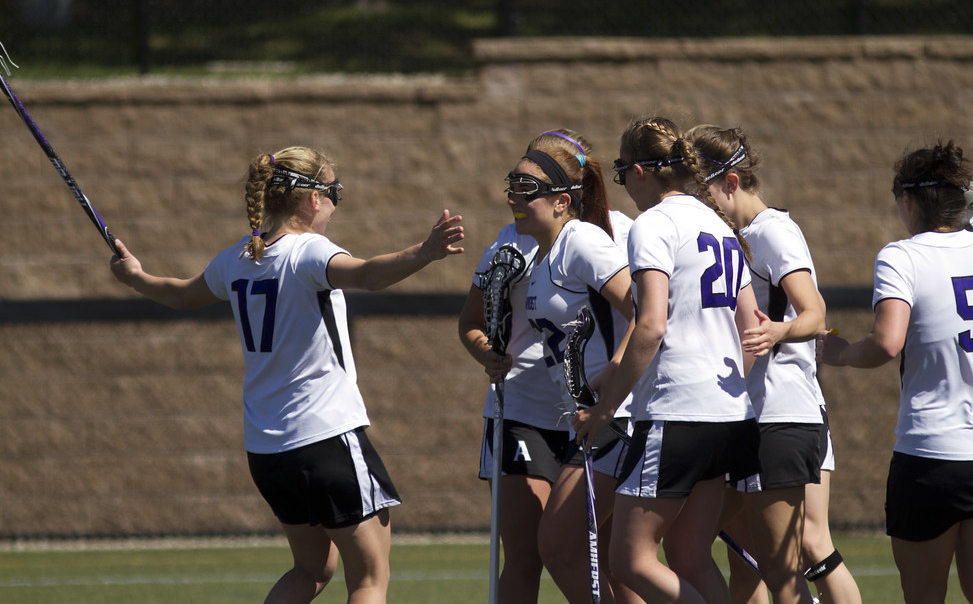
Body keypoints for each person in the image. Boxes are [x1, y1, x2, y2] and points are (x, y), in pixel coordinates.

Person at [109, 146, 465, 604]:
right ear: (313, 199)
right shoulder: (307, 251)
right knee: (369, 579)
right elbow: (369, 275)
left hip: (268, 449)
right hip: (325, 438)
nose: (337, 201)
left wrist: (135, 277)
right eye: (335, 191)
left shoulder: (235, 259)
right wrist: (425, 252)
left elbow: (178, 294)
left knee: (312, 569)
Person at [817, 140, 973, 604]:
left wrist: (842, 351)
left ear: (908, 201)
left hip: (931, 454)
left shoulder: (901, 256)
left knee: (924, 596)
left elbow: (887, 343)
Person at [574, 116, 763, 604]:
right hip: (731, 414)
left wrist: (604, 410)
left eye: (621, 174)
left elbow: (650, 324)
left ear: (639, 170)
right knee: (690, 556)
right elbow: (752, 330)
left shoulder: (653, 224)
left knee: (629, 560)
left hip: (679, 414)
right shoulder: (717, 224)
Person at [460, 129, 639, 603]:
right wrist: (487, 350)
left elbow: (647, 315)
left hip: (603, 411)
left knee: (609, 557)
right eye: (514, 185)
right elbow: (473, 322)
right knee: (534, 553)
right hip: (530, 409)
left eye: (528, 186)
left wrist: (618, 368)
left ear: (565, 193)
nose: (515, 198)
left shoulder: (595, 236)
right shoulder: (526, 243)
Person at [690, 124, 857, 604]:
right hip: (750, 417)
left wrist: (779, 331)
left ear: (733, 182)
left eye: (705, 193)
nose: (701, 206)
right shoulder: (736, 237)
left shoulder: (772, 231)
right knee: (720, 556)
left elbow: (815, 311)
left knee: (790, 570)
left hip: (780, 414)